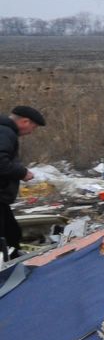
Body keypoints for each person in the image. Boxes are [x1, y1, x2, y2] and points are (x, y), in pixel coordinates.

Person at [1, 105, 47, 261]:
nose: (31, 132)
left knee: (11, 232)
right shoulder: (6, 132)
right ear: (25, 121)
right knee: (5, 237)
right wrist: (22, 173)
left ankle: (13, 260)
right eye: (33, 127)